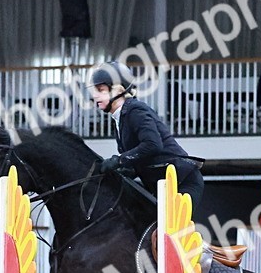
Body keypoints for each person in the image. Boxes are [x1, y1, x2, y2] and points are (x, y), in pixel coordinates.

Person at [87, 61, 204, 214]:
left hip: (181, 181)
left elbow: (153, 145)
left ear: (118, 90)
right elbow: (139, 159)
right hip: (160, 185)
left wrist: (119, 160)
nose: (95, 95)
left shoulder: (135, 110)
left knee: (166, 229)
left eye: (101, 90)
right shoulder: (120, 118)